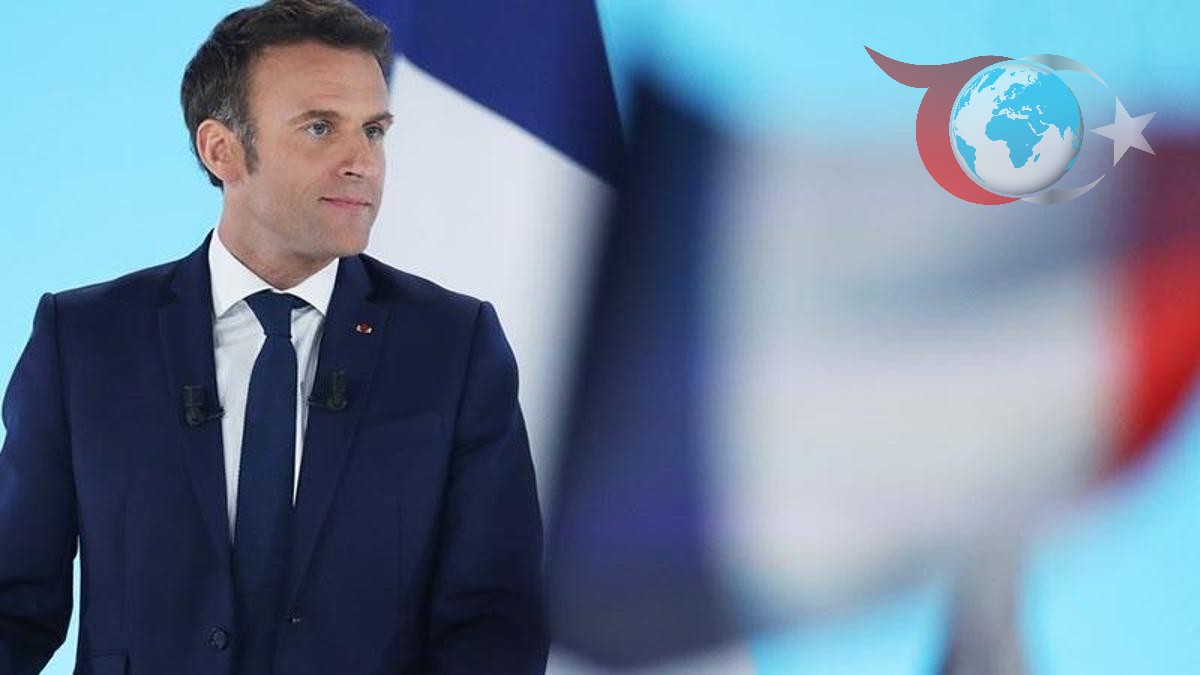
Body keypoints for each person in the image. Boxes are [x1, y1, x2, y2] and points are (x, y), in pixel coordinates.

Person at [0, 1, 546, 673]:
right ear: (222, 150)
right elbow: (11, 601)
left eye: (374, 130)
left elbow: (495, 620)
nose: (362, 162)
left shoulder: (453, 345)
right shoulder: (85, 340)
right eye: (320, 127)